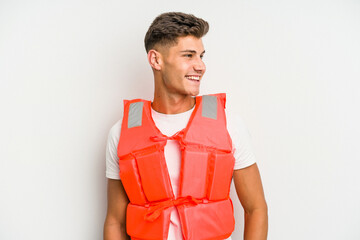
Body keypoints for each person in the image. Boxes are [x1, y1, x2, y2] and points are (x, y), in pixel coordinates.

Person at [103, 12, 268, 240]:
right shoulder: (121, 133)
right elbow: (114, 221)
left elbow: (256, 209)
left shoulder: (230, 125)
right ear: (156, 60)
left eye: (201, 56)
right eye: (189, 55)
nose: (200, 66)